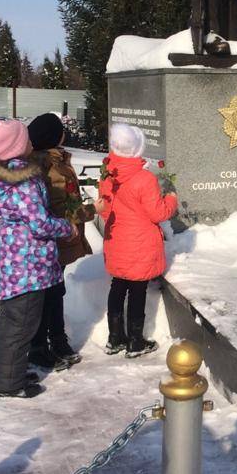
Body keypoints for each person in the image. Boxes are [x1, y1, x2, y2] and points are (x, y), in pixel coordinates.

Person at [0, 120, 77, 398]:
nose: (32, 142)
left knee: (12, 320)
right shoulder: (23, 179)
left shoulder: (1, 175)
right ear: (17, 147)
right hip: (27, 262)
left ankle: (10, 373)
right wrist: (67, 228)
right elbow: (40, 222)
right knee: (20, 324)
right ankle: (9, 384)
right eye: (26, 140)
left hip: (12, 258)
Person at [96, 123, 178, 357]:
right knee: (138, 290)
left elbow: (105, 209)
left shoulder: (108, 174)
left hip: (117, 240)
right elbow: (158, 213)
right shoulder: (144, 178)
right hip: (140, 243)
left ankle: (114, 338)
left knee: (118, 285)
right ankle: (135, 341)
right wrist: (171, 198)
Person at [27, 112, 94, 370]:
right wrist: (88, 212)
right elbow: (60, 205)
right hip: (54, 238)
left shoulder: (57, 160)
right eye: (60, 131)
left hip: (62, 238)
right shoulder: (47, 166)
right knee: (48, 294)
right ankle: (40, 346)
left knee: (56, 291)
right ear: (52, 137)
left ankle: (56, 339)